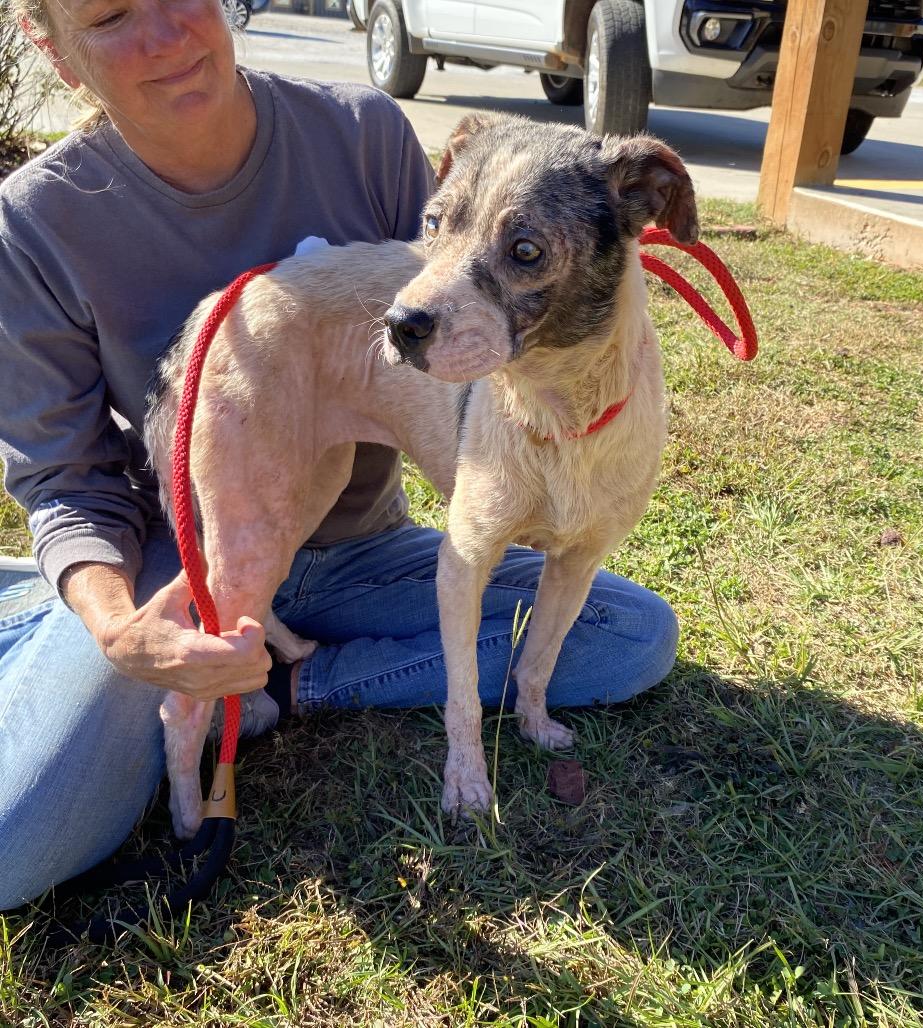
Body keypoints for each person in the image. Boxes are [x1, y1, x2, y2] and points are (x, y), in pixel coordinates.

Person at [0, 0, 679, 911]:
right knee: (16, 843)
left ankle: (297, 671)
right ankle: (46, 615)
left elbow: (446, 314)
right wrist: (115, 623)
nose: (166, 36)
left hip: (362, 552)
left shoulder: (364, 134)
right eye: (114, 14)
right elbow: (60, 475)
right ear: (54, 47)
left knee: (632, 637)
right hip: (181, 552)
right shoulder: (35, 221)